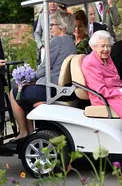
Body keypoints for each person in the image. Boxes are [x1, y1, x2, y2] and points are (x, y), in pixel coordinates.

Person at [10, 11, 77, 141]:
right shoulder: (70, 40)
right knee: (26, 92)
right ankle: (30, 134)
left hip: (51, 87)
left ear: (62, 27)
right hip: (60, 86)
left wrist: (28, 78)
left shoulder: (57, 41)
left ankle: (23, 132)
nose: (50, 27)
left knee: (13, 94)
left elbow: (45, 67)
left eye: (52, 25)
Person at [34, 0, 58, 65]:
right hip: (45, 48)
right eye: (50, 1)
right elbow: (37, 33)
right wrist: (41, 46)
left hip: (58, 48)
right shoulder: (42, 16)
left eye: (54, 1)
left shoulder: (61, 16)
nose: (52, 3)